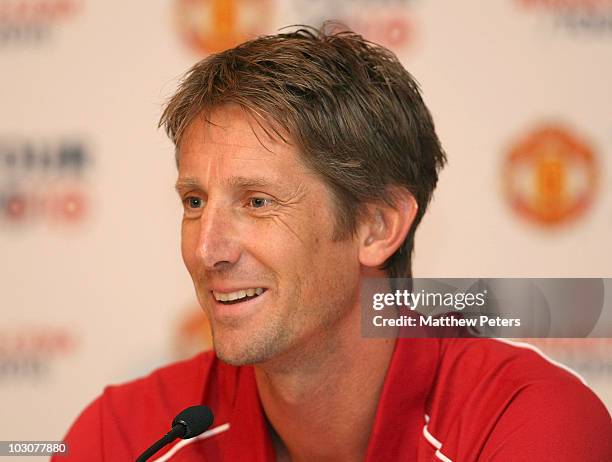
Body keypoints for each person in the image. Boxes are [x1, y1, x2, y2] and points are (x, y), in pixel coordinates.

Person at [55, 25, 611, 461]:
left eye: (257, 201)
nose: (208, 251)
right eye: (195, 202)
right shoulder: (126, 435)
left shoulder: (528, 422)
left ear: (377, 226)